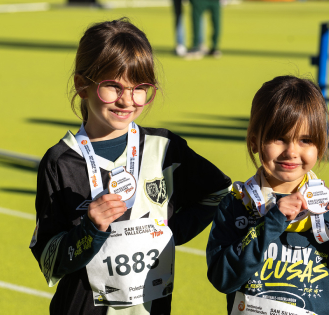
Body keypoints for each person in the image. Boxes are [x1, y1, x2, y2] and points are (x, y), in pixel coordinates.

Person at [30, 18, 232, 315]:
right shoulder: (60, 161)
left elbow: (219, 191)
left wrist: (168, 232)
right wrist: (90, 228)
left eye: (140, 88)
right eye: (113, 86)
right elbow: (49, 260)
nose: (127, 100)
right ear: (81, 85)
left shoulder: (165, 149)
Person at [206, 76, 329, 315]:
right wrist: (271, 224)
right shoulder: (236, 205)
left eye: (305, 140)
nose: (292, 151)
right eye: (279, 138)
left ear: (321, 145)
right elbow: (222, 279)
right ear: (255, 141)